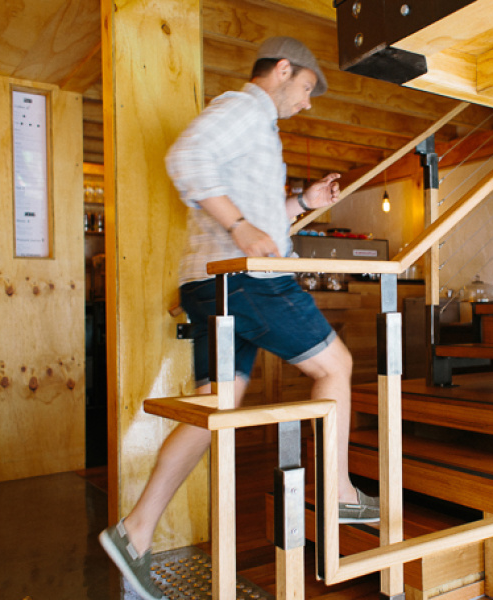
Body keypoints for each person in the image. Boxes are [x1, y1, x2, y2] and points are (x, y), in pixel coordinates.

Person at [99, 36, 379, 600]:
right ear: (283, 70)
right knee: (336, 366)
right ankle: (339, 492)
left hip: (211, 284)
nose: (307, 102)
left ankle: (134, 532)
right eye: (306, 88)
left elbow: (263, 219)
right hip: (248, 279)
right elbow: (184, 158)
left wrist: (303, 202)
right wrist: (239, 227)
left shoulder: (258, 128)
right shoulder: (246, 108)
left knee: (216, 405)